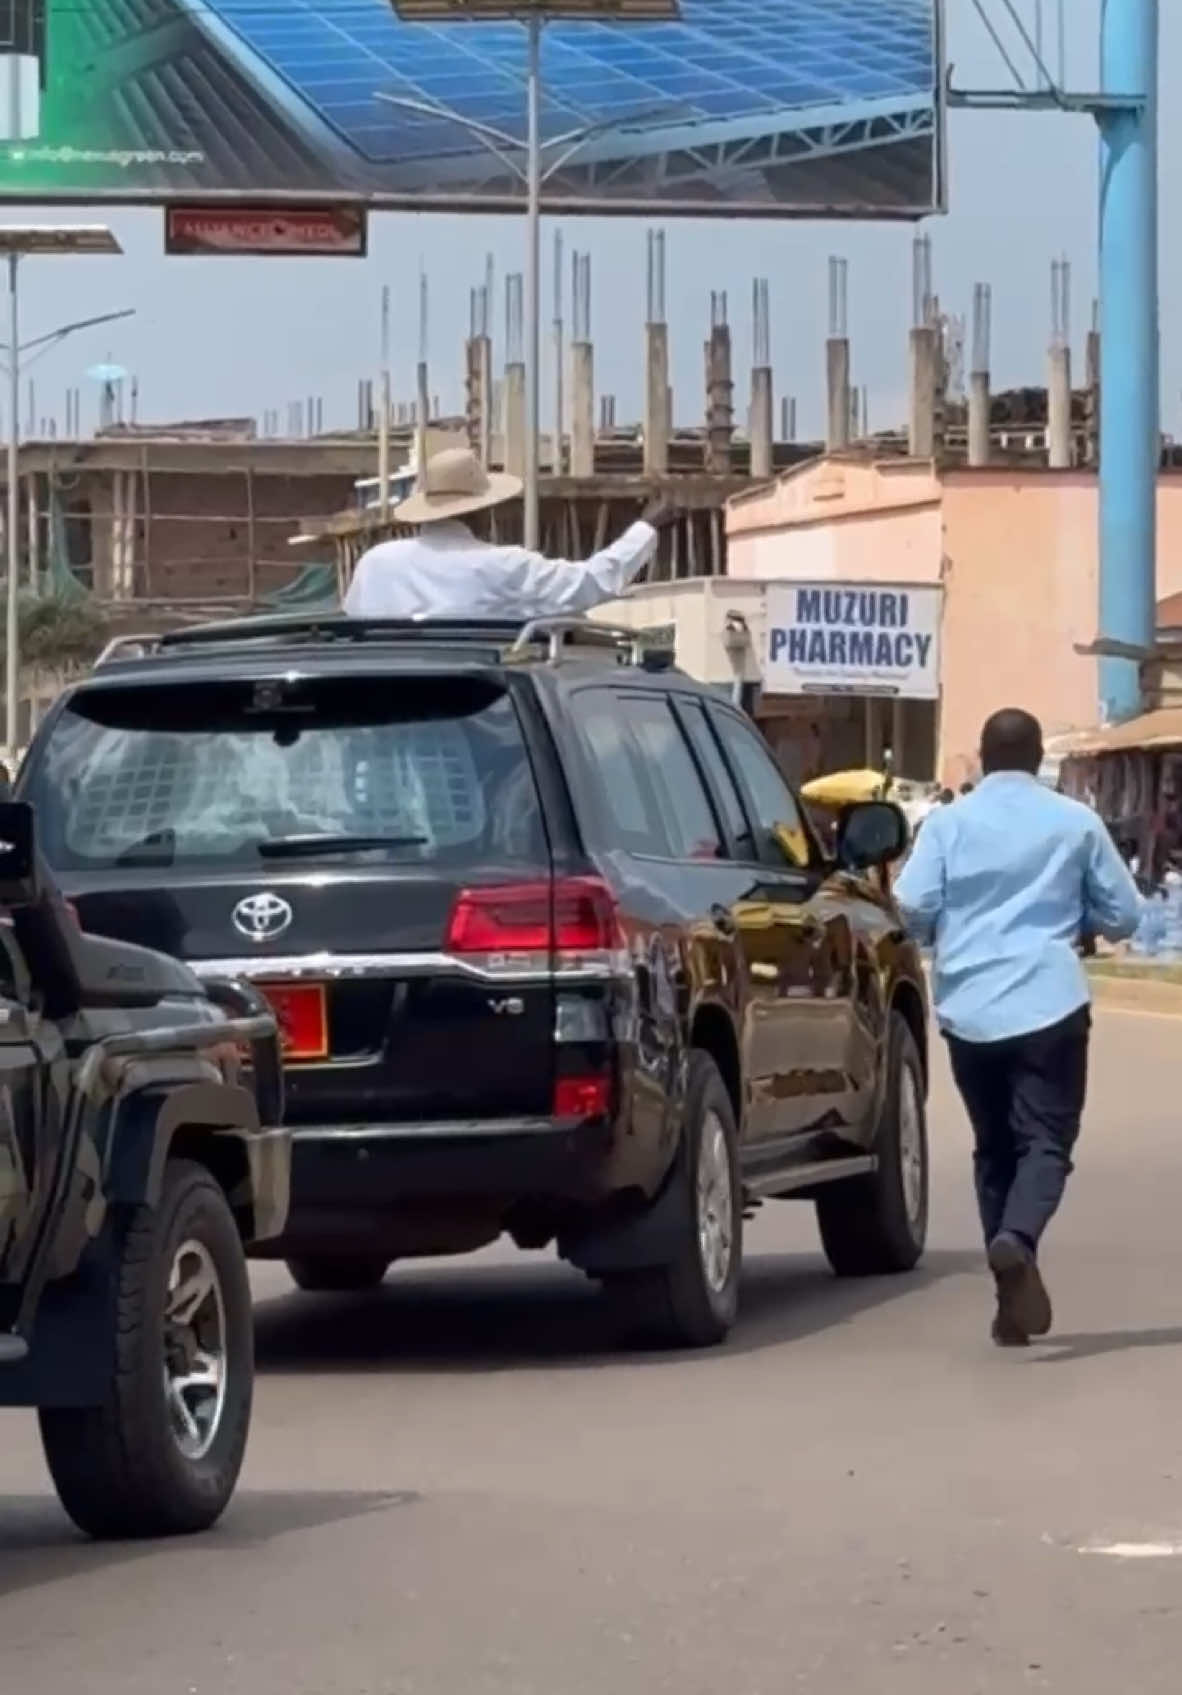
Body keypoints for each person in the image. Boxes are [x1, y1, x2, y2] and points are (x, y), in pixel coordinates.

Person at [893, 708, 1142, 1348]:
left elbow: (914, 905)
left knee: (994, 1147)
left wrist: (942, 936)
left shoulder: (947, 823)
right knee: (1046, 1142)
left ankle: (1009, 1299)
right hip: (1049, 1003)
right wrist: (1081, 912)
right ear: (1038, 759)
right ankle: (1017, 1241)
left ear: (982, 756)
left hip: (969, 1009)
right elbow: (1125, 916)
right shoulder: (1076, 822)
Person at [344, 446, 673, 621]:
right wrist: (647, 527)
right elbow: (590, 583)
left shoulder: (375, 563)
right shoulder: (502, 565)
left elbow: (352, 621)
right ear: (485, 511)